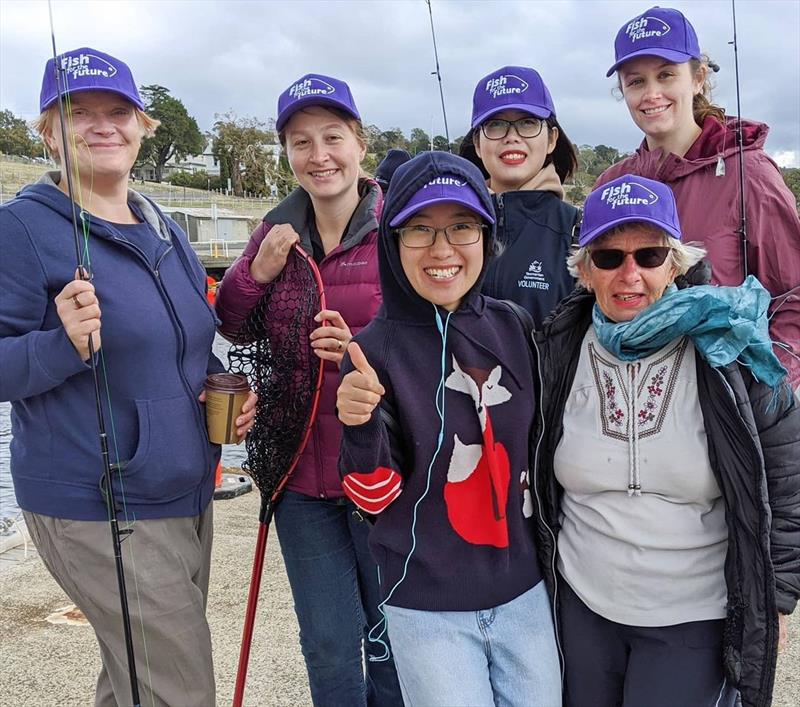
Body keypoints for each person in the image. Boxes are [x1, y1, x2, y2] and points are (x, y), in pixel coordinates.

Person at [0, 47, 255, 706]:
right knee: (179, 689)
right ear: (49, 132)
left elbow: (187, 338)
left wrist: (222, 382)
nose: (102, 125)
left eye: (118, 111)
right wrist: (62, 343)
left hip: (185, 489)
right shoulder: (21, 229)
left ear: (143, 124)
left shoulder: (160, 222)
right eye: (78, 113)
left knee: (134, 679)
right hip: (97, 504)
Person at [533, 174, 800, 707]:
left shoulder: (733, 353)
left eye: (650, 255)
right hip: (582, 606)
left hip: (693, 614)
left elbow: (788, 475)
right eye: (608, 258)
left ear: (675, 264)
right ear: (584, 270)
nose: (629, 274)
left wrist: (776, 596)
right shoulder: (555, 352)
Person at [336, 151, 562, 707]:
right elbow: (373, 498)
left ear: (486, 235)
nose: (442, 250)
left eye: (461, 226)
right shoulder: (369, 352)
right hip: (424, 603)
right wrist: (357, 424)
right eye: (419, 230)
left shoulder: (515, 325)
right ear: (392, 241)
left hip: (525, 592)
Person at [214, 73, 402, 707]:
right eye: (301, 142)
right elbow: (232, 321)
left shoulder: (399, 228)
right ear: (287, 153)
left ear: (359, 142)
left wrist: (359, 346)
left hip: (382, 472)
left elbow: (432, 333)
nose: (318, 155)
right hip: (299, 476)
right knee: (326, 642)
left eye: (332, 137)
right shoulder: (275, 232)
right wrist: (260, 268)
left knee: (390, 636)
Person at [597, 5, 800, 391]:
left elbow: (793, 295)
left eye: (666, 75)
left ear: (698, 78)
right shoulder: (611, 183)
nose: (651, 93)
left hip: (727, 404)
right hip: (631, 404)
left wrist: (771, 388)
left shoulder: (752, 175)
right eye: (636, 81)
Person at [460, 65, 580, 327]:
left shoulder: (579, 230)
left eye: (527, 122)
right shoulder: (450, 222)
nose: (511, 137)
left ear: (551, 139)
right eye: (495, 124)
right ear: (478, 144)